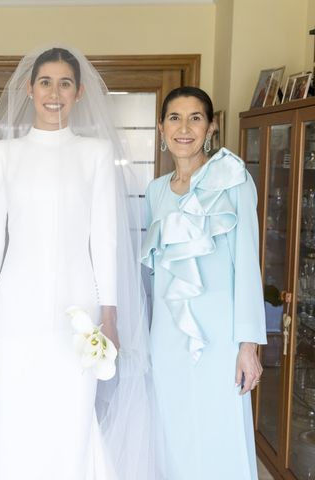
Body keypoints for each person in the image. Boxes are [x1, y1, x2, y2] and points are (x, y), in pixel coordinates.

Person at [0, 46, 162, 479]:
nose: (54, 92)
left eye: (65, 83)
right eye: (45, 82)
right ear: (29, 89)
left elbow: (104, 239)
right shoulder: (3, 154)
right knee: (15, 411)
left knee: (72, 413)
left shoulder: (96, 153)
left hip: (79, 309)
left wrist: (110, 313)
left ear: (79, 92)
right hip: (16, 308)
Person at [141, 86, 267, 479]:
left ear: (211, 127)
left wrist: (249, 345)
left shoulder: (233, 179)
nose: (184, 128)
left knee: (217, 430)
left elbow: (248, 264)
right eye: (174, 118)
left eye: (195, 118)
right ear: (161, 128)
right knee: (172, 429)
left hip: (220, 338)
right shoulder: (155, 190)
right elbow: (155, 274)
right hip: (166, 337)